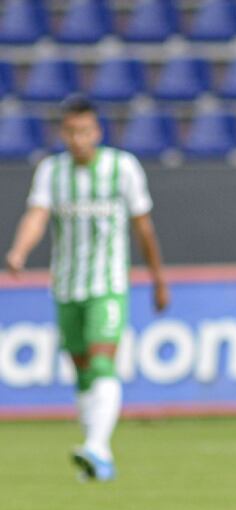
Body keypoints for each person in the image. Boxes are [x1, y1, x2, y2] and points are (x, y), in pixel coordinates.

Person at [5, 95, 170, 482]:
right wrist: (19, 250)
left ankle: (96, 447)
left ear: (96, 132)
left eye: (85, 131)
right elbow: (37, 215)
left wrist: (158, 279)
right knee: (80, 372)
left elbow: (143, 227)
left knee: (101, 362)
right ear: (63, 133)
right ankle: (100, 455)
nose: (78, 139)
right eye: (71, 132)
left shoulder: (123, 168)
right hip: (66, 286)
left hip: (107, 284)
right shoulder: (52, 171)